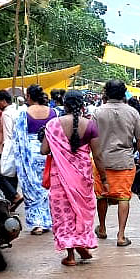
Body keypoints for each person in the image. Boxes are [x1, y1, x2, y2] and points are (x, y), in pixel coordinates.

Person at [40, 91, 108, 266]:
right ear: (82, 104)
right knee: (82, 211)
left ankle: (70, 255)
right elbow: (98, 155)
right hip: (82, 178)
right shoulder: (90, 125)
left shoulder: (53, 124)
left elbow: (44, 151)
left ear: (65, 104)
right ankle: (82, 244)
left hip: (60, 178)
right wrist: (104, 179)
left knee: (64, 214)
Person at [92, 80, 140, 247]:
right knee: (124, 196)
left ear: (106, 93)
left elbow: (91, 138)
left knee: (101, 195)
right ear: (124, 93)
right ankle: (121, 236)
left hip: (101, 162)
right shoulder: (132, 112)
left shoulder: (98, 112)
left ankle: (102, 228)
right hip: (124, 161)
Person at [12, 84, 56, 235]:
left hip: (29, 154)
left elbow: (18, 137)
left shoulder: (24, 113)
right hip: (48, 153)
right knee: (47, 187)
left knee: (32, 188)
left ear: (29, 96)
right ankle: (47, 220)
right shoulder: (53, 112)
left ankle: (38, 223)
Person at [0, 90, 24, 209]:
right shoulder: (16, 111)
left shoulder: (6, 114)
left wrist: (3, 151)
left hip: (6, 148)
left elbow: (8, 134)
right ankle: (11, 200)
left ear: (4, 101)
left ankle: (15, 195)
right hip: (14, 148)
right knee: (11, 175)